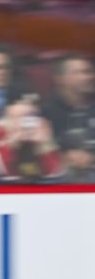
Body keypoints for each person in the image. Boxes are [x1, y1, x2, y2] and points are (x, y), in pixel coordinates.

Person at [42, 55, 95, 183]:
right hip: (62, 181)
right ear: (61, 79)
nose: (91, 77)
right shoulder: (46, 113)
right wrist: (63, 157)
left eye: (90, 72)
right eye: (81, 72)